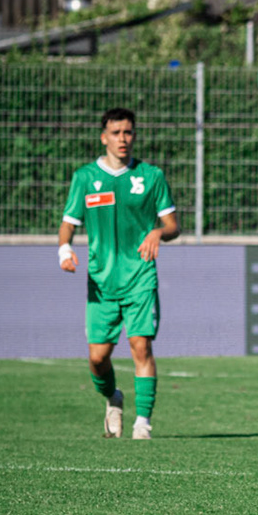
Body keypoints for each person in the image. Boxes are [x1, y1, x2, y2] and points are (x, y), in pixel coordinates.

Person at [59, 108, 179, 439]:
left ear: (134, 136)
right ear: (104, 137)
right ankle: (113, 398)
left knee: (141, 346)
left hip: (140, 277)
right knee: (98, 359)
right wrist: (65, 249)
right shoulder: (85, 178)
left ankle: (143, 423)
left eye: (128, 132)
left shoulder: (151, 176)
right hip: (101, 281)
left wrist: (158, 232)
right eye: (116, 133)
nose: (122, 139)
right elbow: (68, 223)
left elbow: (172, 225)